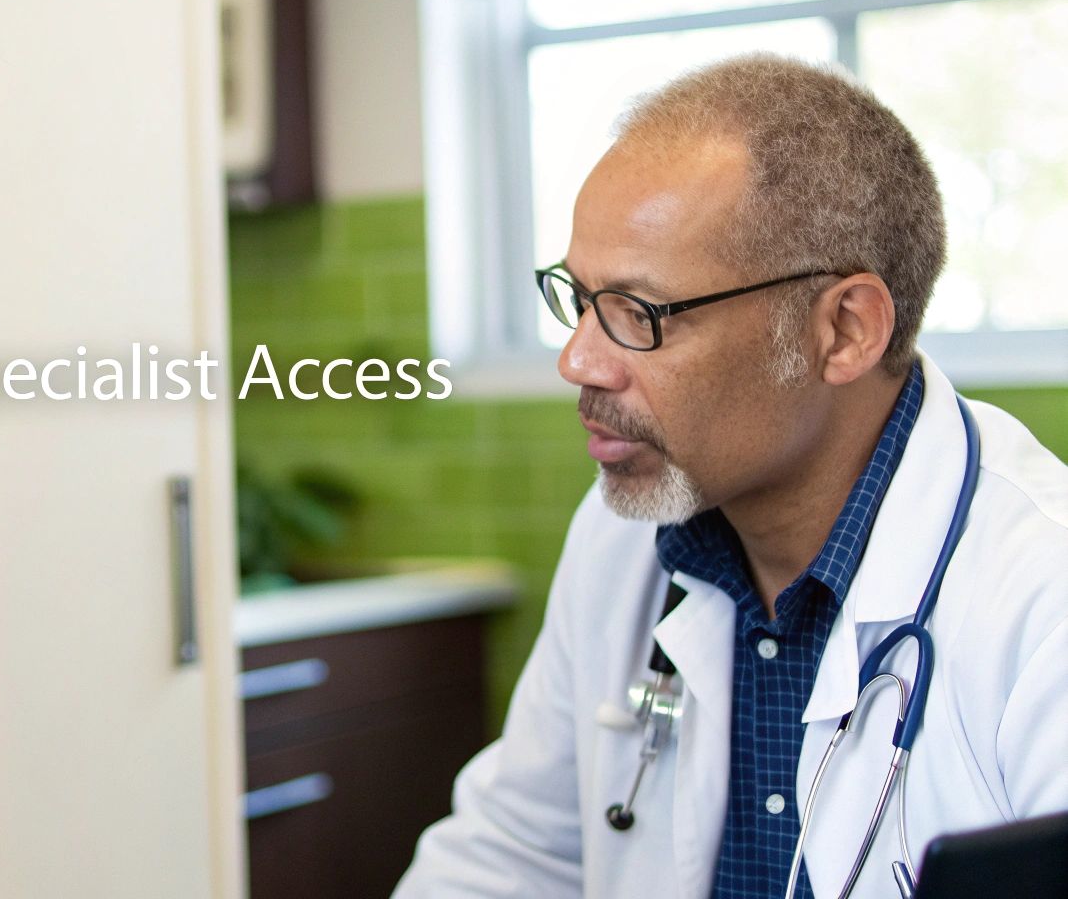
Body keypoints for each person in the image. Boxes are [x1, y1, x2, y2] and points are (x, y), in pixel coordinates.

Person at [394, 55, 1068, 899]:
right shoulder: (621, 536)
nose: (577, 361)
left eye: (639, 314)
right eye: (578, 298)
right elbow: (510, 860)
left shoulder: (1043, 601)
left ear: (845, 331)